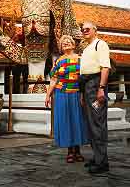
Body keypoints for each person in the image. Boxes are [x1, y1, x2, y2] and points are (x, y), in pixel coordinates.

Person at [45, 35, 88, 163]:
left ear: (74, 45)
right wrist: (48, 95)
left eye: (69, 41)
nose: (67, 43)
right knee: (67, 121)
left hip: (77, 93)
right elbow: (54, 79)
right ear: (61, 47)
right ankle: (70, 151)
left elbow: (85, 78)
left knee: (78, 121)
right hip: (62, 93)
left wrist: (83, 94)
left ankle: (78, 150)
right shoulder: (58, 61)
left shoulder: (81, 59)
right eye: (64, 43)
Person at [80, 21, 111, 174]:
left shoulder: (101, 44)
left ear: (95, 30)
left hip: (96, 85)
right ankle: (98, 157)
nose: (84, 31)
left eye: (87, 29)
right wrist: (81, 94)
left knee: (98, 123)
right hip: (86, 87)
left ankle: (102, 163)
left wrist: (101, 89)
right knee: (91, 124)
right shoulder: (86, 49)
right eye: (83, 29)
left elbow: (105, 67)